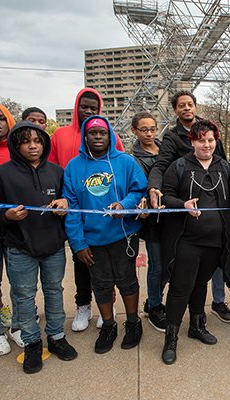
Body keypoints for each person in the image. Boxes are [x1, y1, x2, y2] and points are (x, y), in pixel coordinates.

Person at [0, 121, 77, 373]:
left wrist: (64, 203)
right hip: (20, 248)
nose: (33, 146)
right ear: (16, 146)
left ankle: (57, 337)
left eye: (37, 141)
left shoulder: (57, 172)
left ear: (44, 143)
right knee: (24, 297)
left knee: (54, 290)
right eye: (26, 142)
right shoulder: (0, 174)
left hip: (53, 246)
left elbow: (69, 201)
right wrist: (7, 216)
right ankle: (32, 344)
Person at [146, 91, 230, 324]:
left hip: (214, 234)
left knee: (203, 280)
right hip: (186, 229)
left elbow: (228, 177)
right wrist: (154, 187)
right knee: (181, 282)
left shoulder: (213, 140)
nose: (187, 108)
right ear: (175, 110)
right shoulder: (173, 142)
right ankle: (167, 324)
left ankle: (207, 313)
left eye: (190, 104)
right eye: (181, 105)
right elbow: (160, 166)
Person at [159, 120, 230, 365]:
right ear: (192, 141)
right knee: (180, 287)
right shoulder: (180, 166)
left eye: (210, 140)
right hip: (187, 240)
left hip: (216, 242)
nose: (206, 145)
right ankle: (171, 337)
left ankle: (196, 325)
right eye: (201, 140)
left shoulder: (225, 167)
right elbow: (167, 195)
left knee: (200, 284)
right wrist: (182, 205)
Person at [63, 115, 146, 354]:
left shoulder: (125, 162)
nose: (98, 137)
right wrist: (77, 243)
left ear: (110, 136)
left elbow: (138, 189)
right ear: (85, 137)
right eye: (93, 133)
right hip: (91, 240)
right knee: (101, 285)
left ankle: (133, 322)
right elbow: (72, 208)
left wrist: (125, 204)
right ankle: (108, 326)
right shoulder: (73, 167)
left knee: (127, 281)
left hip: (123, 235)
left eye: (103, 133)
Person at [49, 88, 125, 332]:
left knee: (106, 262)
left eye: (94, 108)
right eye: (85, 107)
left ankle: (108, 304)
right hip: (72, 209)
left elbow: (120, 170)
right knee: (82, 259)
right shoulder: (60, 135)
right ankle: (83, 304)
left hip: (103, 214)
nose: (89, 111)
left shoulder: (109, 134)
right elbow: (49, 170)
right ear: (76, 108)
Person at [130, 111, 166, 331]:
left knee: (169, 264)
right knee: (157, 265)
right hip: (151, 220)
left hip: (169, 214)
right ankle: (154, 306)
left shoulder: (165, 149)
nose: (149, 133)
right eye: (144, 129)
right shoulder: (132, 158)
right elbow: (133, 186)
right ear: (134, 131)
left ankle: (154, 299)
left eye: (153, 128)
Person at [0, 103, 17, 356]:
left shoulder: (17, 152)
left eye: (1, 118)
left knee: (20, 281)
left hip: (16, 226)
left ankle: (19, 325)